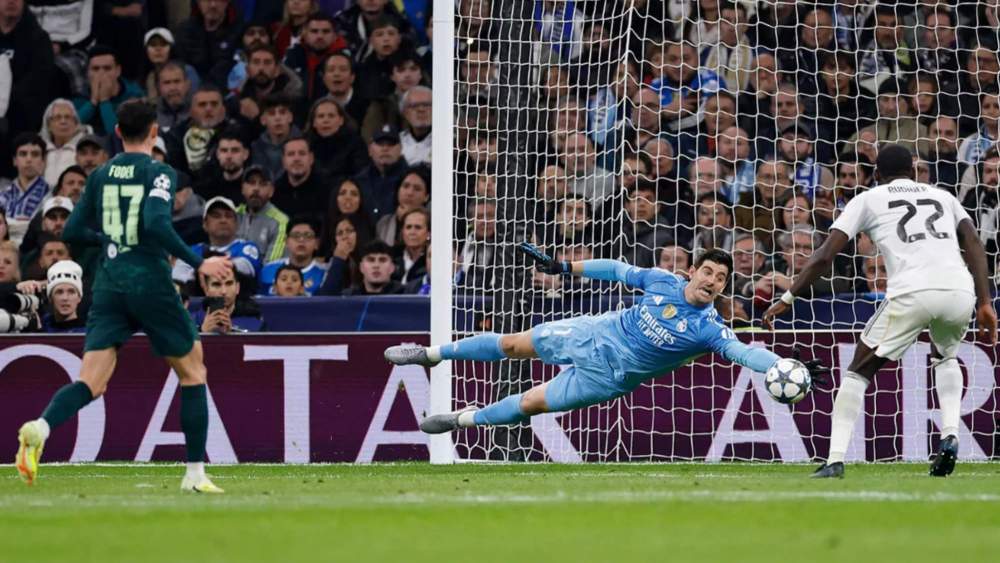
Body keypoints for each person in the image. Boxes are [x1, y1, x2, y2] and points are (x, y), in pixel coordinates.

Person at [15, 99, 232, 492]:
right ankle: (194, 474)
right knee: (192, 373)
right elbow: (156, 224)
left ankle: (41, 427)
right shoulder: (159, 172)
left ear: (117, 132)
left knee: (91, 382)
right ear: (154, 131)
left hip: (110, 284)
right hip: (150, 283)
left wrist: (108, 241)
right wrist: (199, 262)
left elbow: (72, 231)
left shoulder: (100, 175)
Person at [387, 245, 826, 436]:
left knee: (529, 404)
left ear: (724, 287)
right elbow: (616, 269)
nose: (712, 281)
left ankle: (461, 420)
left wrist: (776, 365)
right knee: (511, 345)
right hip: (593, 334)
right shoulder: (661, 281)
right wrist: (565, 268)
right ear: (693, 272)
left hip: (609, 377)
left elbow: (742, 351)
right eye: (708, 271)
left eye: (721, 278)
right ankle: (429, 354)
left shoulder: (710, 328)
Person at [763, 144, 998, 479]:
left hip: (912, 291)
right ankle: (950, 435)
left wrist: (787, 297)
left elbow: (824, 256)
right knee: (945, 357)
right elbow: (973, 241)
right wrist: (985, 302)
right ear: (914, 172)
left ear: (876, 175)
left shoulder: (868, 199)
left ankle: (834, 460)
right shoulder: (943, 196)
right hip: (960, 290)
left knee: (858, 370)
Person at [172, 196, 263, 291]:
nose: (223, 220)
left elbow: (244, 267)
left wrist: (202, 267)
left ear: (236, 224)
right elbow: (178, 275)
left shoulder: (247, 247)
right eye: (216, 216)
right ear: (205, 224)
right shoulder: (193, 250)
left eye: (228, 216)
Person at [72, 45, 145, 137]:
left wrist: (104, 101)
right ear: (88, 72)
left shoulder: (134, 96)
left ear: (118, 71)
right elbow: (68, 129)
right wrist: (92, 102)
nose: (101, 73)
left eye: (107, 68)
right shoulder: (79, 96)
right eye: (95, 69)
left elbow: (119, 136)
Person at [257, 216, 327, 295]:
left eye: (308, 236)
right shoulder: (268, 270)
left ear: (317, 243)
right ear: (286, 242)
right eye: (296, 235)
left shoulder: (324, 273)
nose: (301, 240)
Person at [1, 133, 50, 244]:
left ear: (43, 161)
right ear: (14, 160)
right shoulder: (2, 194)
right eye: (23, 154)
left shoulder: (51, 194)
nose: (29, 159)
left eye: (35, 154)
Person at [194, 260, 266, 333]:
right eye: (216, 284)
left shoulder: (255, 325)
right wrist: (202, 332)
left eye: (229, 283)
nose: (224, 291)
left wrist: (231, 336)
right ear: (206, 289)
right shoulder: (191, 323)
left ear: (237, 288)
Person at [237, 165, 289, 263]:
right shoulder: (233, 215)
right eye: (251, 183)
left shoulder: (280, 222)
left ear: (271, 191)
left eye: (263, 184)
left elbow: (272, 265)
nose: (256, 188)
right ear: (242, 188)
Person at [40, 259, 86, 333]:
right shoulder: (42, 327)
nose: (65, 298)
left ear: (79, 297)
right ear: (50, 298)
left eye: (71, 292)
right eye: (59, 292)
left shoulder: (90, 332)